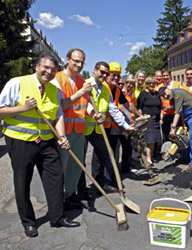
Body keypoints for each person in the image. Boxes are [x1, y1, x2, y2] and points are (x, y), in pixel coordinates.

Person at [0, 54, 80, 237]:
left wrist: (61, 136)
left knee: (56, 175)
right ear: (37, 66)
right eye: (46, 67)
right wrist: (23, 108)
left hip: (46, 142)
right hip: (20, 141)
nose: (49, 72)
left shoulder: (54, 90)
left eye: (53, 69)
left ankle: (57, 217)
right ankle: (28, 222)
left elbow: (58, 115)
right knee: (22, 182)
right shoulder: (17, 83)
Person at [51, 48, 94, 210]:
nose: (79, 64)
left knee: (76, 166)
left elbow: (86, 103)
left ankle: (70, 195)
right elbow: (61, 105)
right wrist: (81, 92)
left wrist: (92, 112)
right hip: (63, 130)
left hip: (78, 129)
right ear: (67, 60)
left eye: (82, 62)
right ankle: (58, 199)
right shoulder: (57, 79)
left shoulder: (82, 81)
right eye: (76, 61)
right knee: (61, 166)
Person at [85, 62, 136, 193]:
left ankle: (104, 184)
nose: (114, 77)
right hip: (83, 128)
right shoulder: (87, 84)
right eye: (105, 73)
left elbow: (113, 109)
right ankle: (81, 191)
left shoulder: (106, 89)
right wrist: (92, 113)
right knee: (81, 160)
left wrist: (126, 125)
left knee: (107, 154)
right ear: (95, 71)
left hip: (101, 128)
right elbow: (84, 103)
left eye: (108, 73)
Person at [158, 87, 192, 170]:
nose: (165, 96)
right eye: (163, 96)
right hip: (187, 114)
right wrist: (184, 123)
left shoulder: (178, 94)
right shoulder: (172, 97)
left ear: (168, 89)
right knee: (184, 136)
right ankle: (186, 157)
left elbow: (177, 113)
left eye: (165, 93)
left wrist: (173, 128)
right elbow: (181, 111)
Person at [136, 77, 163, 165]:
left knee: (155, 139)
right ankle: (148, 159)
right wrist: (141, 119)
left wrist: (161, 118)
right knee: (150, 139)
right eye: (149, 83)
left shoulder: (157, 94)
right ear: (146, 85)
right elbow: (139, 107)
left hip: (156, 120)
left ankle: (151, 157)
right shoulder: (143, 94)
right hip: (148, 120)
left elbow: (160, 107)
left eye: (153, 83)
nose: (151, 85)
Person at [160, 69, 181, 142]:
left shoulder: (177, 84)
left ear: (170, 75)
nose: (165, 77)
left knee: (177, 133)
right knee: (166, 134)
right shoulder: (160, 86)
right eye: (164, 76)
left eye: (167, 75)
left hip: (175, 112)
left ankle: (178, 151)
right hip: (165, 113)